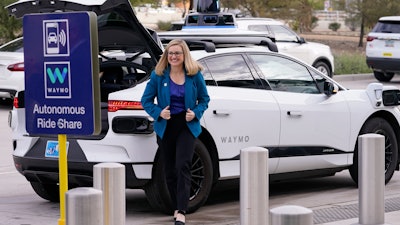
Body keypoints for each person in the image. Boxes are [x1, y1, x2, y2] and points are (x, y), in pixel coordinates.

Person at [141, 39, 210, 225]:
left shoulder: (194, 75)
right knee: (170, 170)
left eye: (177, 53)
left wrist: (195, 113)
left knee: (183, 166)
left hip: (186, 126)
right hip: (166, 126)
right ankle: (176, 205)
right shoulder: (159, 76)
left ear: (184, 55)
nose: (173, 56)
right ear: (166, 55)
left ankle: (181, 210)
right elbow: (145, 101)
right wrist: (158, 113)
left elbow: (204, 99)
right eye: (170, 53)